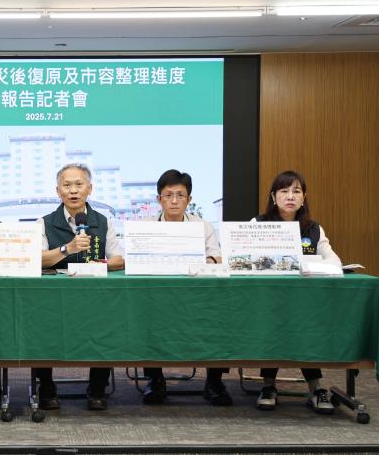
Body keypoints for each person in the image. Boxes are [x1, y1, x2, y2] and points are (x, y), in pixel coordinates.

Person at [140, 169, 233, 406]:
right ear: (159, 198)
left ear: (189, 199)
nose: (174, 200)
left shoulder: (203, 226)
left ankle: (214, 382)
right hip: (158, 295)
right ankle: (155, 379)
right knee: (145, 317)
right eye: (168, 195)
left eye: (180, 195)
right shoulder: (144, 226)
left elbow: (217, 257)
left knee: (220, 316)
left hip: (197, 294)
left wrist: (198, 261)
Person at [36, 163, 124, 411]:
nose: (73, 190)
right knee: (39, 327)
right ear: (58, 191)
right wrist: (68, 249)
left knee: (106, 326)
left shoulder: (103, 221)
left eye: (78, 184)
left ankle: (97, 388)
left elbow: (118, 259)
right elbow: (36, 259)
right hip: (53, 297)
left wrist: (100, 264)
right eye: (67, 185)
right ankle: (46, 388)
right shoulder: (44, 222)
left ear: (90, 188)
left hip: (94, 295)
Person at [253, 170, 341, 414]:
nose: (290, 196)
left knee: (302, 324)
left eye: (296, 191)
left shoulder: (313, 229)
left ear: (304, 198)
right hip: (266, 300)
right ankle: (268, 386)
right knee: (274, 324)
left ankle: (316, 388)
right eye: (284, 191)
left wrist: (306, 265)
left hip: (304, 302)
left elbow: (334, 261)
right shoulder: (258, 224)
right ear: (274, 197)